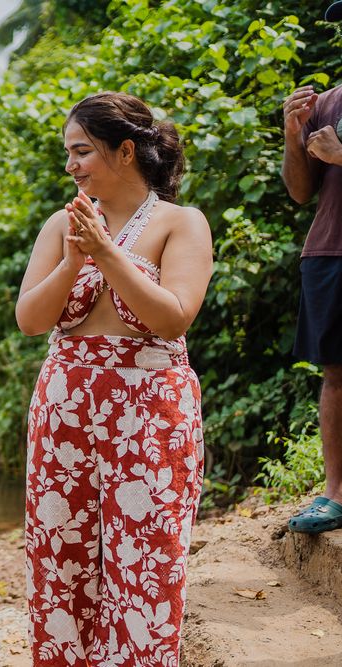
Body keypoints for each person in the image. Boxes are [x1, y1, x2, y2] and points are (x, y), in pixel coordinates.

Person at [16, 92, 213, 665]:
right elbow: (31, 320)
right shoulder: (63, 223)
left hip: (148, 415)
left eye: (82, 152)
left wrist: (106, 252)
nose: (71, 165)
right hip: (64, 413)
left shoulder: (182, 223)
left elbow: (172, 315)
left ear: (125, 150)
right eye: (68, 154)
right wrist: (75, 260)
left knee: (145, 562)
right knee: (61, 560)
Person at [280, 1, 342, 534]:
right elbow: (301, 191)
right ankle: (335, 496)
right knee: (337, 374)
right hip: (329, 252)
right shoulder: (329, 103)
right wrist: (293, 131)